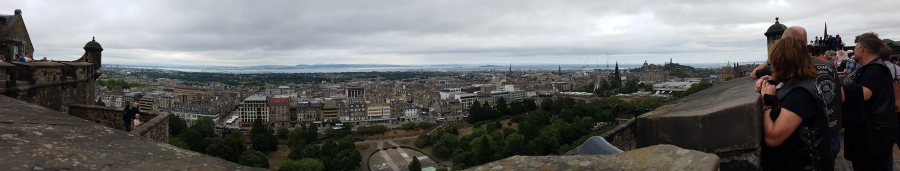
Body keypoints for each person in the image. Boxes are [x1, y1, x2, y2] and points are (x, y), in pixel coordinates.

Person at [757, 37, 834, 170]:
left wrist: (768, 101)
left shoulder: (800, 94)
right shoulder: (806, 82)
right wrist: (770, 82)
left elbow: (773, 137)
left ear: (780, 62)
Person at [842, 32, 896, 171]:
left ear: (862, 48)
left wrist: (837, 88)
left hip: (873, 138)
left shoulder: (875, 69)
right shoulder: (873, 67)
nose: (854, 49)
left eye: (856, 46)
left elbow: (863, 94)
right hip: (870, 135)